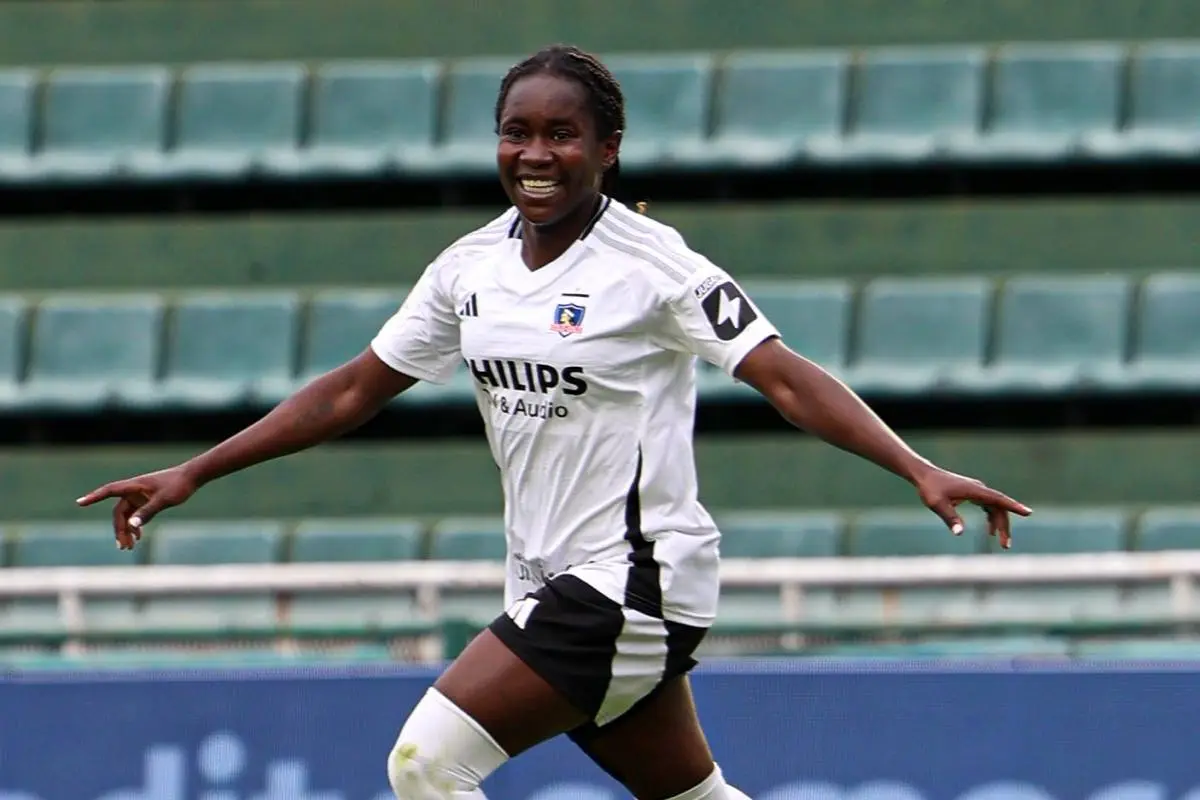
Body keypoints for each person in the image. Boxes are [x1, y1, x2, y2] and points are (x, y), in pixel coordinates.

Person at [77, 44, 1032, 800]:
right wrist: (194, 471)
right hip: (549, 574)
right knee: (694, 799)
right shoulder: (469, 267)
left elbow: (781, 375)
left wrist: (916, 468)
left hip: (634, 579)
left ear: (607, 149)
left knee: (425, 766)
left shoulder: (655, 266)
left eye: (563, 135)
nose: (536, 155)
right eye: (516, 133)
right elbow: (353, 389)